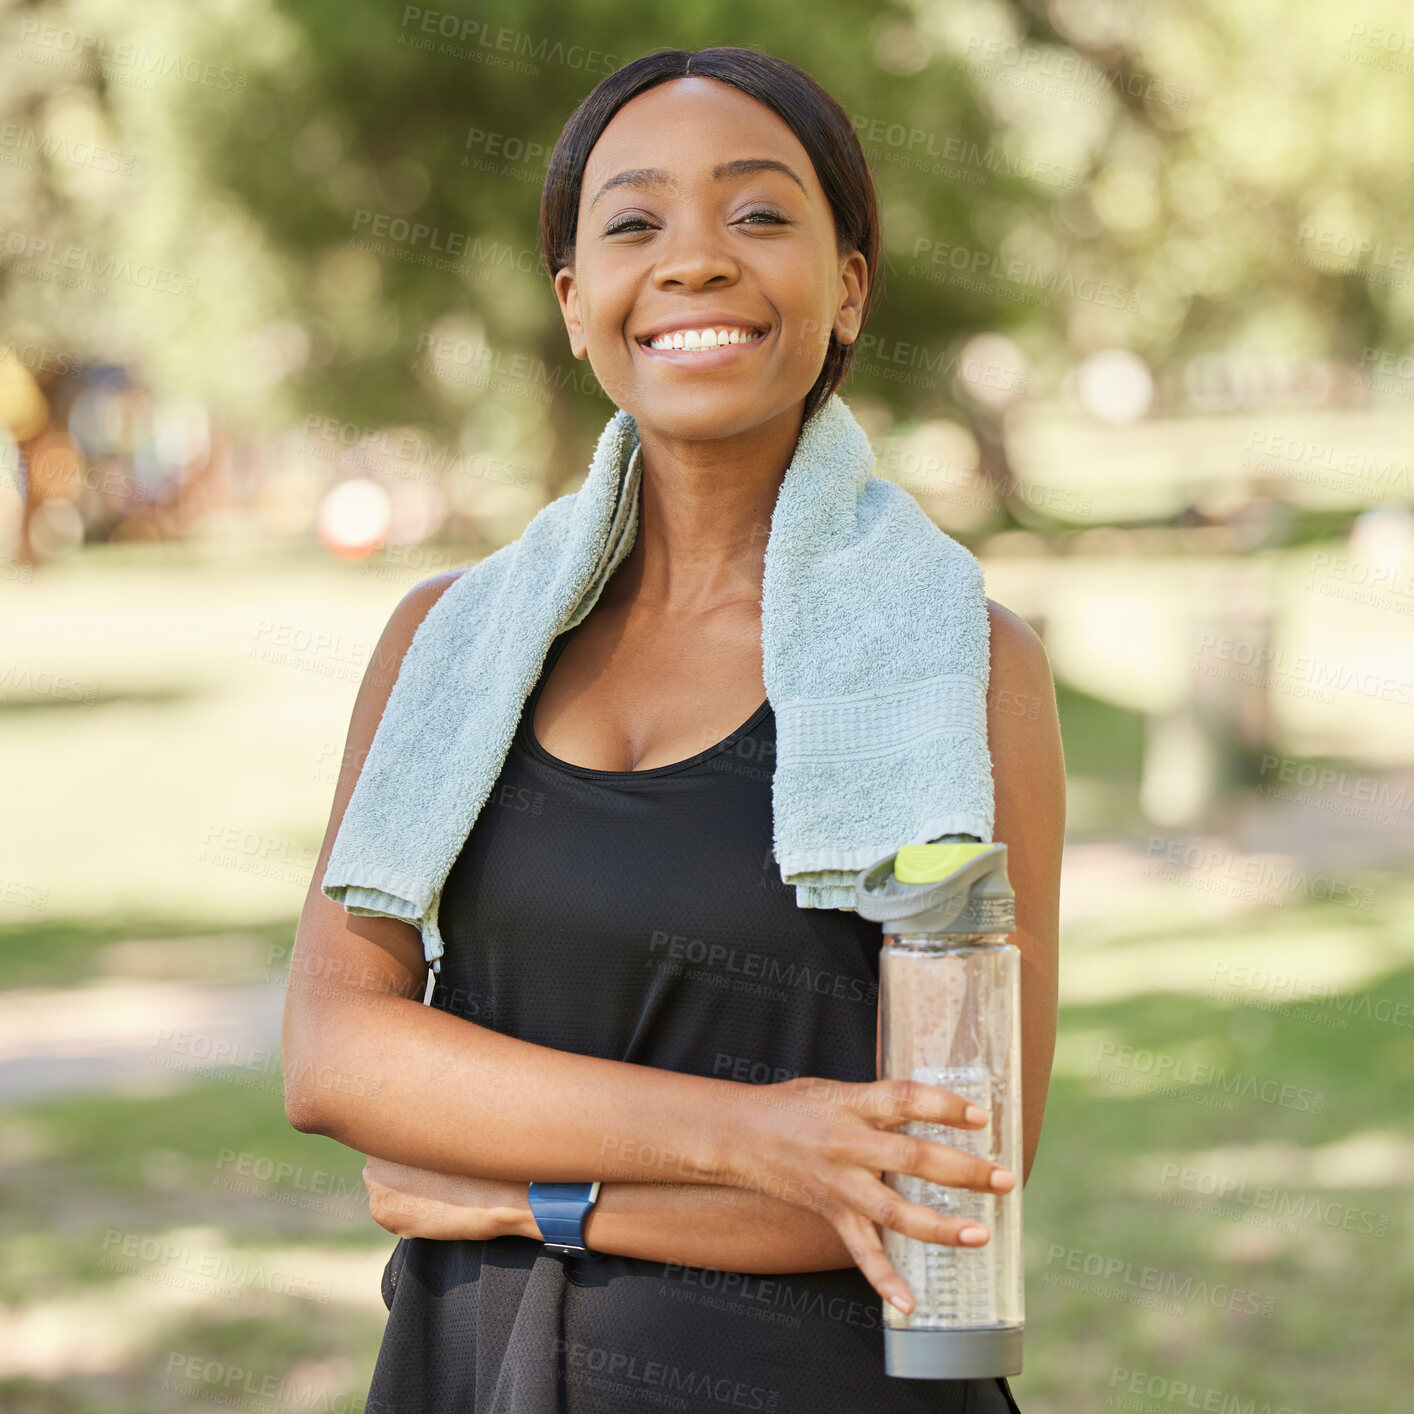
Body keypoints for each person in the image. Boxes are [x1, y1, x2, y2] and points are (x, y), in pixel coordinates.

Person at [283, 45, 1063, 1413]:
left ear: (849, 288)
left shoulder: (964, 668)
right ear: (578, 306)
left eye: (759, 215)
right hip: (469, 1374)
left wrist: (532, 1196)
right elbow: (335, 1049)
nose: (694, 260)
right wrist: (763, 1135)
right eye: (634, 223)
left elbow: (951, 1189)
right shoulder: (444, 643)